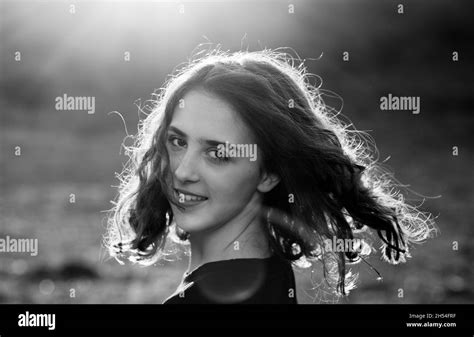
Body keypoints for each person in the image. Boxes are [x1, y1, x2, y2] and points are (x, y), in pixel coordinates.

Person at [105, 48, 435, 304]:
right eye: (178, 141)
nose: (182, 171)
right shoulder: (271, 273)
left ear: (269, 173)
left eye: (217, 152)